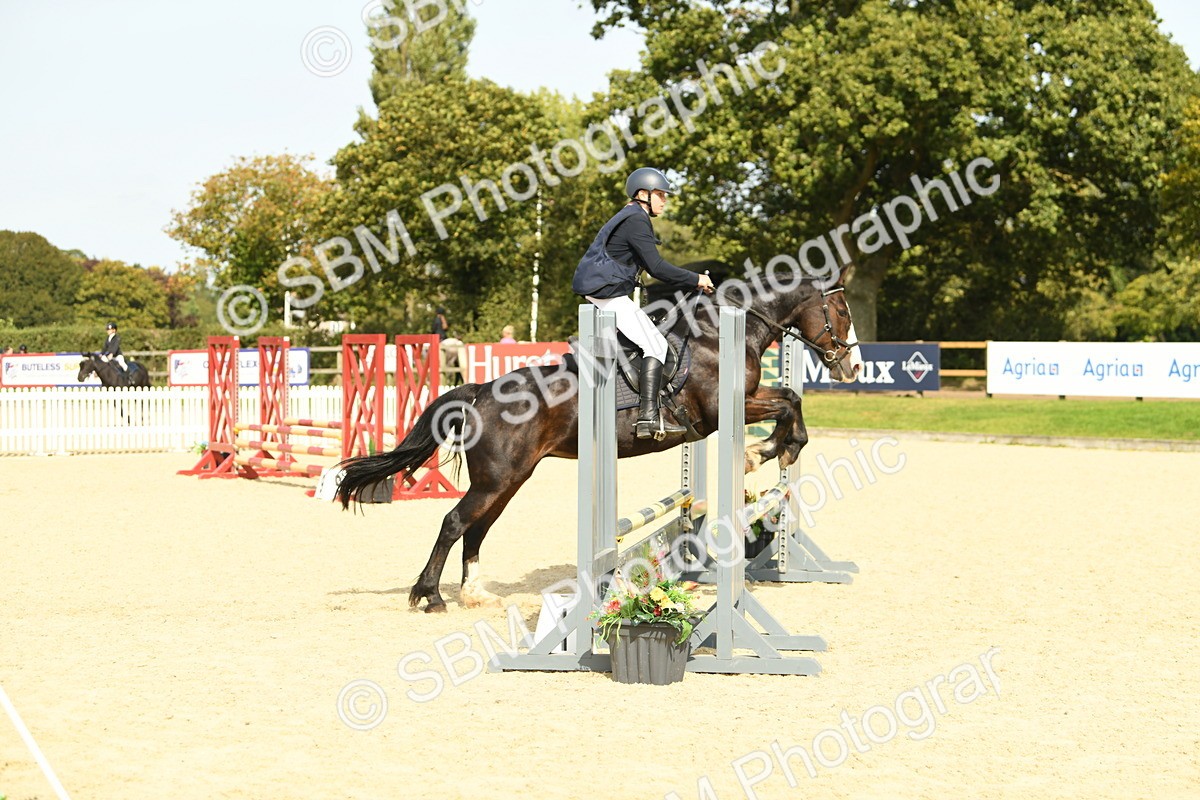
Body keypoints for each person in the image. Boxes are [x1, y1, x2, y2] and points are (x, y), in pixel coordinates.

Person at [572, 167, 715, 439]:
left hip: (605, 293)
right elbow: (657, 267)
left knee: (646, 338)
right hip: (608, 296)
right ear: (643, 194)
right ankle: (647, 417)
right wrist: (696, 279)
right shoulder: (635, 220)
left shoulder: (631, 217)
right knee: (656, 345)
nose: (664, 200)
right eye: (660, 195)